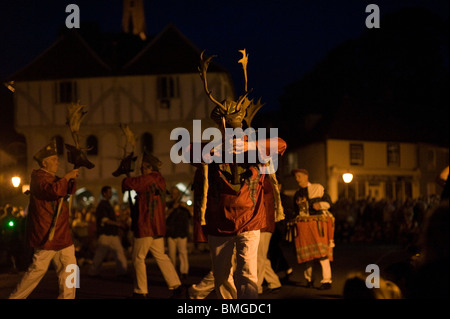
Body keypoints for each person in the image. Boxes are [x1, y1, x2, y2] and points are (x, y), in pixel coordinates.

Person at [9, 140, 79, 299]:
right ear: (44, 163)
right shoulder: (39, 178)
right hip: (48, 231)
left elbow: (66, 190)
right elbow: (53, 191)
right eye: (54, 159)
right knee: (37, 270)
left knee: (71, 268)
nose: (57, 162)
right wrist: (68, 176)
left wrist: (72, 176)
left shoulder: (52, 177)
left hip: (61, 231)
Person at [121, 152, 183, 298]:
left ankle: (140, 291)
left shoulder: (148, 179)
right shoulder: (159, 179)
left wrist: (126, 177)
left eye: (143, 168)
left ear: (150, 168)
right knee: (161, 256)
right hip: (157, 225)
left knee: (138, 257)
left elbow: (130, 183)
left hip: (146, 225)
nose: (141, 170)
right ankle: (176, 285)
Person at [292, 168, 335, 290]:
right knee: (308, 254)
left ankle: (327, 280)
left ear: (306, 176)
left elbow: (329, 202)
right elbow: (296, 211)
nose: (297, 179)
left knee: (322, 252)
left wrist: (320, 205)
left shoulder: (318, 188)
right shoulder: (297, 194)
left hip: (318, 224)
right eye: (296, 177)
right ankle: (309, 279)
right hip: (304, 225)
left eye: (299, 176)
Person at [88, 186, 128, 277]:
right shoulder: (103, 205)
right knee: (100, 255)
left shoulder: (107, 204)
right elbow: (104, 220)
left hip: (111, 234)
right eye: (109, 192)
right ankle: (92, 272)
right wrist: (117, 224)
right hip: (105, 234)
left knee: (119, 253)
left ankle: (122, 271)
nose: (110, 194)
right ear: (104, 193)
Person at [257, 177, 282, 294]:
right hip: (263, 225)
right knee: (261, 257)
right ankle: (274, 281)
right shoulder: (266, 182)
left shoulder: (265, 183)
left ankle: (256, 286)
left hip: (264, 225)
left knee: (259, 258)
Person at [165, 185, 191, 280]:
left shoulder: (183, 205)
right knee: (171, 254)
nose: (173, 195)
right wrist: (172, 209)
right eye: (172, 194)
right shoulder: (168, 205)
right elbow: (164, 217)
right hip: (171, 232)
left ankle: (184, 271)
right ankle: (173, 272)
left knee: (182, 252)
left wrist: (186, 207)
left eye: (175, 194)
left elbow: (191, 215)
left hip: (182, 232)